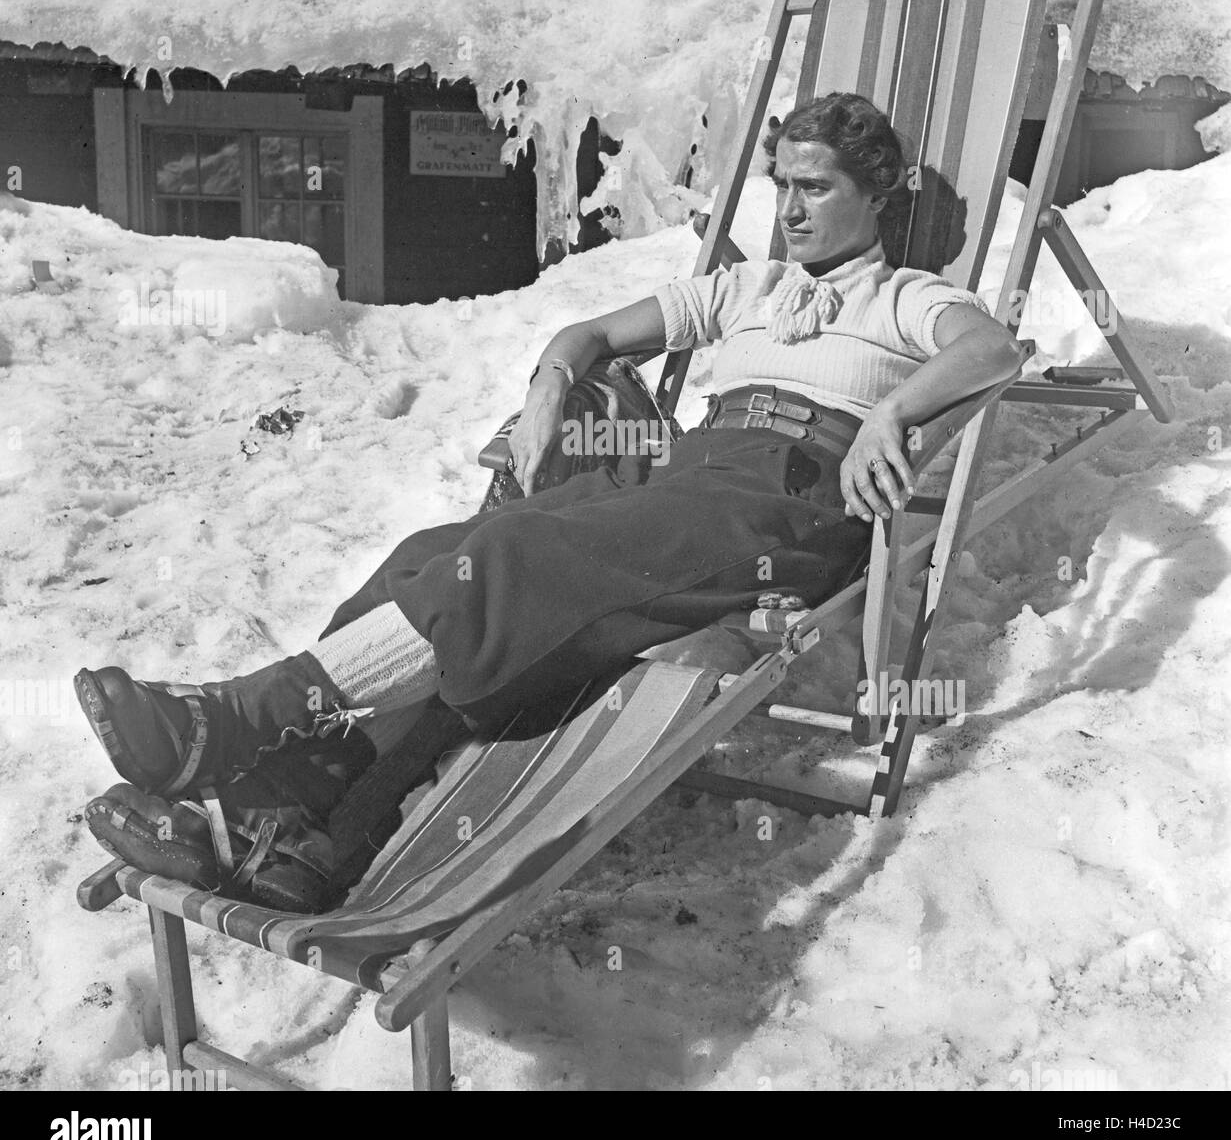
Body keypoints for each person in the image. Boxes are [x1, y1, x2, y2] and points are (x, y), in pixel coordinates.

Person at [77, 93, 1024, 912]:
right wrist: (543, 397)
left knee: (504, 565)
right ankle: (299, 839)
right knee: (434, 552)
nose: (790, 208)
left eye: (814, 188)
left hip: (785, 502)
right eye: (781, 184)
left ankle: (232, 724)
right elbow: (587, 335)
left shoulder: (905, 298)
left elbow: (990, 350)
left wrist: (888, 413)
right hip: (693, 475)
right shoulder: (746, 288)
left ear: (875, 193)